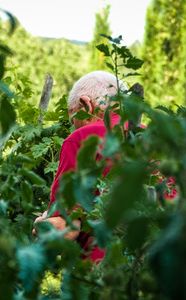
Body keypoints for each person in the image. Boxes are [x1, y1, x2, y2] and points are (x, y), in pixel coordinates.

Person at [33, 70, 128, 262]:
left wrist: (42, 223)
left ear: (86, 105)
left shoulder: (82, 139)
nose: (74, 127)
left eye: (73, 120)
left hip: (103, 273)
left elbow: (67, 230)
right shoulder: (157, 141)